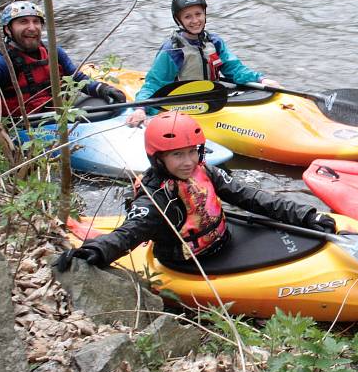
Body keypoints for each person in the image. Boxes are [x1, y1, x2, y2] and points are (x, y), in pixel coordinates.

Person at [56, 111, 336, 270]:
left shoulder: (205, 171)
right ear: (159, 158)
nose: (188, 161)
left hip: (223, 238)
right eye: (178, 155)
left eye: (193, 152)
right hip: (191, 263)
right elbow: (128, 234)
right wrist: (93, 252)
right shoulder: (156, 201)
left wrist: (305, 214)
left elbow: (250, 197)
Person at [125, 0, 278, 127]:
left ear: (205, 14)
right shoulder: (173, 50)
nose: (195, 20)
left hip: (212, 98)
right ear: (179, 21)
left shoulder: (214, 42)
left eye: (198, 14)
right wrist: (140, 108)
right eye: (188, 17)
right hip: (184, 103)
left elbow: (234, 68)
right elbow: (155, 83)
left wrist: (260, 80)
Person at [0, 1, 127, 117]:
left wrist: (102, 89)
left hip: (53, 113)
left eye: (36, 22)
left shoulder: (54, 52)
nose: (32, 27)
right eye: (23, 22)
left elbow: (77, 78)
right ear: (8, 29)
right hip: (26, 123)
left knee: (108, 104)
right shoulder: (0, 60)